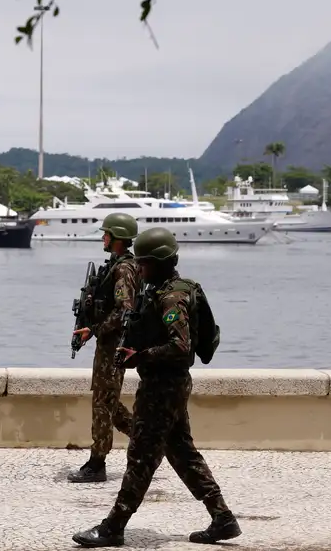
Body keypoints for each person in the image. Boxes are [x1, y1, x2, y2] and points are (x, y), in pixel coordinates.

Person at [72, 227, 240, 548]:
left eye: (145, 264)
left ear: (160, 262)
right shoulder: (168, 289)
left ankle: (113, 527)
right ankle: (222, 517)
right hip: (170, 386)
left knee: (140, 457)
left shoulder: (171, 297)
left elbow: (180, 346)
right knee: (182, 453)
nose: (141, 269)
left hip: (162, 388)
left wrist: (141, 355)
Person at [68, 212, 140, 483]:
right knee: (106, 400)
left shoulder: (123, 269)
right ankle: (150, 440)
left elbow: (125, 310)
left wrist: (95, 329)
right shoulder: (116, 265)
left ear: (118, 238)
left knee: (102, 403)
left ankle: (97, 463)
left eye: (107, 234)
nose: (103, 237)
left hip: (114, 346)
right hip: (107, 344)